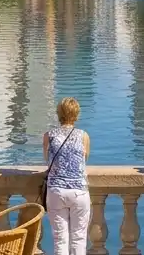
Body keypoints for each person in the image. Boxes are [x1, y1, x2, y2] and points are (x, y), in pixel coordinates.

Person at [45, 98, 90, 255]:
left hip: (56, 190)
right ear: (77, 114)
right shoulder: (83, 136)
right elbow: (84, 160)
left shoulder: (49, 135)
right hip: (79, 191)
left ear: (59, 113)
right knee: (79, 238)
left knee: (60, 239)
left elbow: (48, 160)